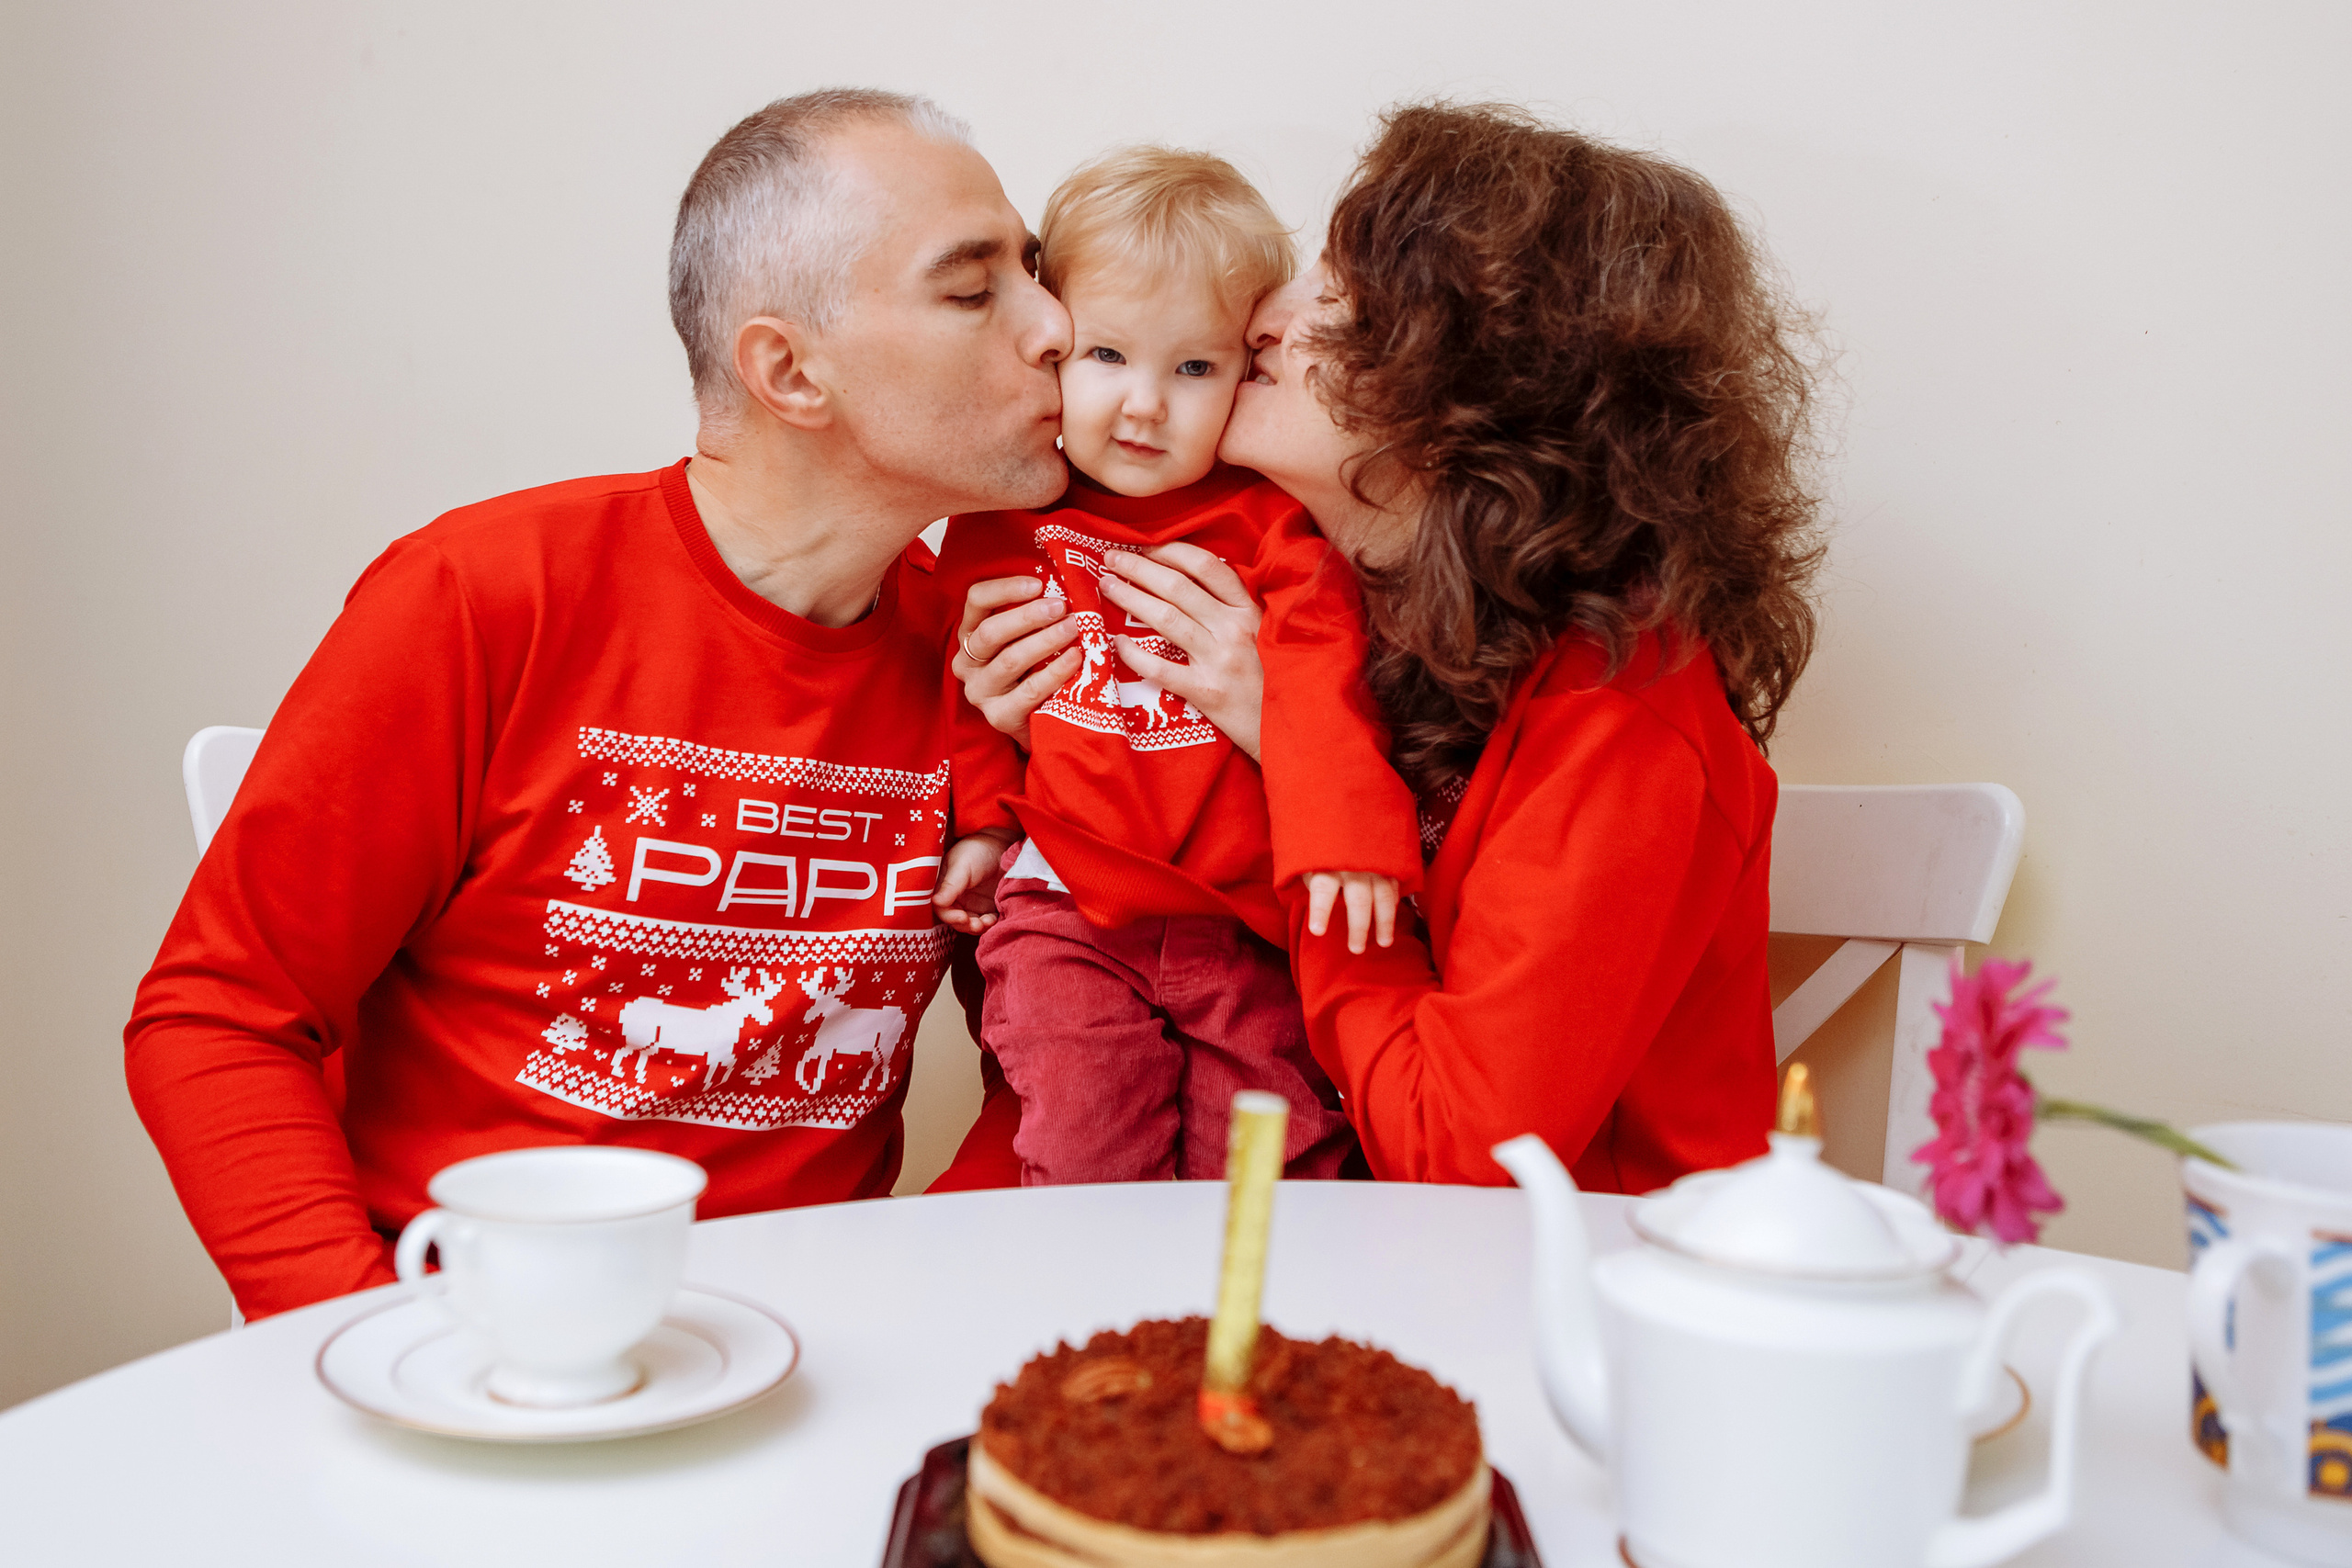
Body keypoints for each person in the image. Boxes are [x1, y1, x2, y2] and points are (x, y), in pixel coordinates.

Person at [124, 88, 1069, 1319]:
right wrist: (358, 1340)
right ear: (789, 369)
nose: (1055, 325)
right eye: (972, 286)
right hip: (475, 1337)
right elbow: (218, 1020)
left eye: (1035, 273)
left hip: (810, 1353)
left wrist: (919, 1285)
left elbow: (1059, 1043)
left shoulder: (993, 650)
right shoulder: (482, 594)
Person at [950, 102, 1821, 1192]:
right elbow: (1076, 1013)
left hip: (1565, 1291)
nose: (1265, 318)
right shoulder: (1301, 597)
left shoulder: (1624, 710)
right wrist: (1023, 744)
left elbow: (1458, 1157)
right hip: (1260, 1209)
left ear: (1473, 394)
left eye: (1343, 296)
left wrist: (1301, 779)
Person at [929, 147, 1419, 1186]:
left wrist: (1349, 840)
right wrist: (978, 821)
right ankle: (1095, 1337)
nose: (1144, 405)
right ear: (1051, 348)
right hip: (1066, 904)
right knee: (1081, 1141)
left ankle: (1232, 1345)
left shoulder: (1271, 527)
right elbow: (968, 674)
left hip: (1241, 922)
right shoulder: (1001, 522)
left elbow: (1325, 682)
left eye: (1192, 368)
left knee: (1272, 1166)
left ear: (1245, 373)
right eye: (1107, 355)